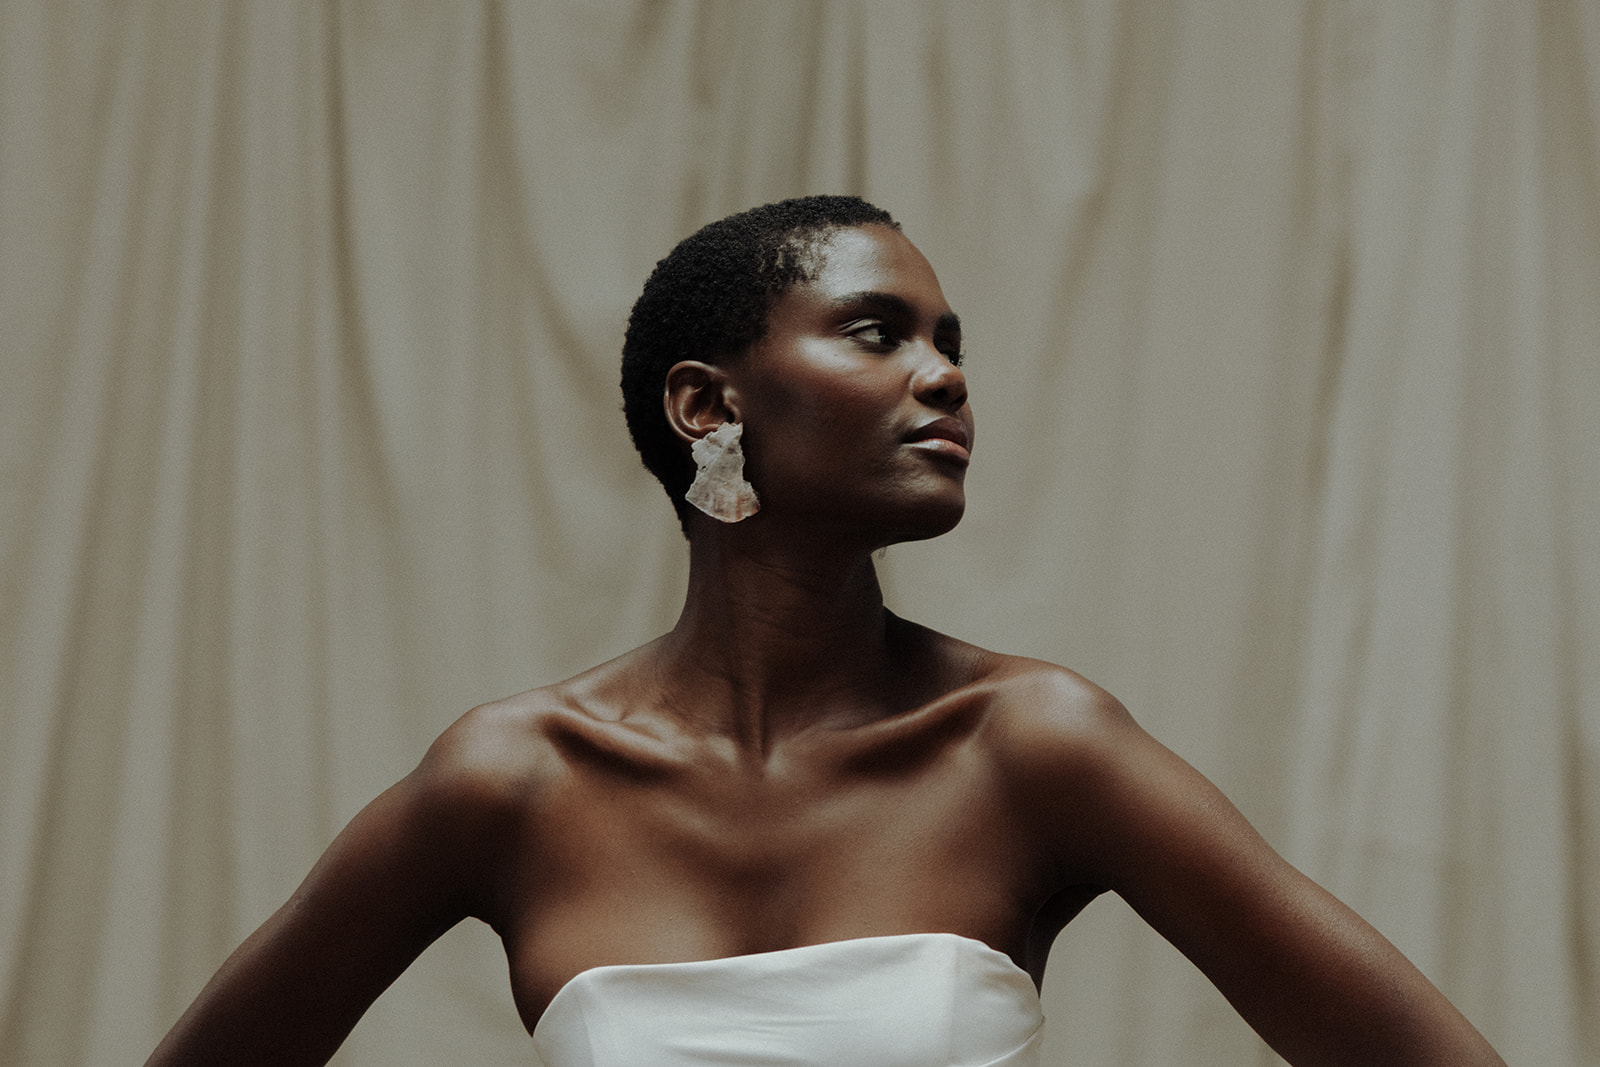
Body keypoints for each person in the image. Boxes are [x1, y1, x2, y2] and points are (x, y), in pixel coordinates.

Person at [147, 196, 1504, 1066]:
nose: (948, 374)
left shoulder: (1030, 746)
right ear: (705, 405)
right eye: (878, 332)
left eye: (950, 339)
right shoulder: (514, 778)